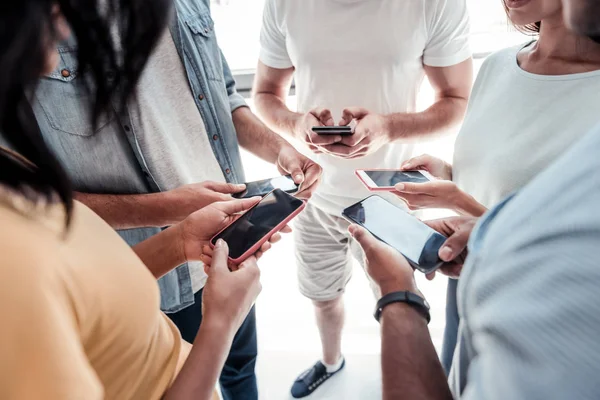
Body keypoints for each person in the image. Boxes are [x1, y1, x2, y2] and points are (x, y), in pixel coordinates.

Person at [26, 1, 322, 399]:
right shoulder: (30, 24)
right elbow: (29, 201)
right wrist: (167, 210)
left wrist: (279, 149)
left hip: (232, 238)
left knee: (240, 367)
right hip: (146, 272)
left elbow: (226, 97)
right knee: (178, 376)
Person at [349, 1, 600, 397]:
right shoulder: (499, 65)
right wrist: (449, 176)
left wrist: (465, 206)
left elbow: (574, 252)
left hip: (537, 314)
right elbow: (511, 180)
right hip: (468, 277)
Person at [252, 0, 473, 396]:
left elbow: (456, 101)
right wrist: (294, 125)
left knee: (400, 301)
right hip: (313, 193)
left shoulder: (435, 4)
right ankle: (331, 361)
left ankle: (406, 382)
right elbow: (266, 93)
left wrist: (388, 128)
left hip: (387, 196)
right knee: (322, 295)